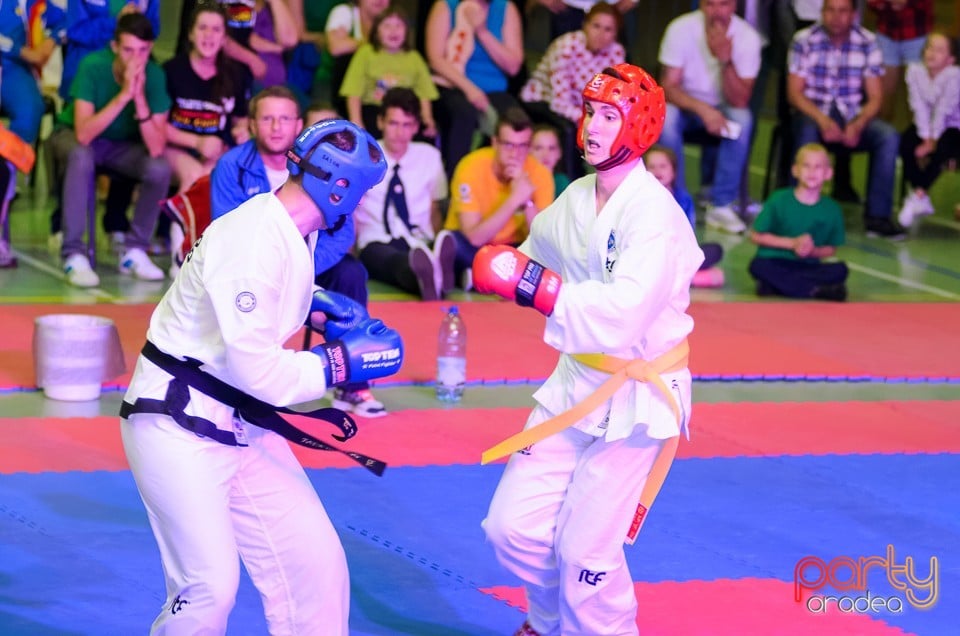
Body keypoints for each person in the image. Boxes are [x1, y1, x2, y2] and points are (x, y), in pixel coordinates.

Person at [120, 118, 402, 635]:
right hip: (176, 423)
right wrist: (339, 364)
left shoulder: (288, 228)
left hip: (238, 422)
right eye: (360, 194)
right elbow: (259, 372)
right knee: (209, 587)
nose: (361, 206)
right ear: (339, 188)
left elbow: (247, 304)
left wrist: (315, 309)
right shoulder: (254, 239)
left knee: (315, 565)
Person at [477, 64, 702, 636]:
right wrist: (502, 269)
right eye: (590, 112)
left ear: (640, 126)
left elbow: (621, 315)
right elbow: (531, 256)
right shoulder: (578, 197)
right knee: (511, 529)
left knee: (585, 557)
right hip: (575, 386)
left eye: (609, 115)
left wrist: (538, 288)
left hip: (637, 402)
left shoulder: (653, 216)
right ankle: (550, 623)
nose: (593, 126)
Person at [211, 86, 387, 418]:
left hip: (312, 259)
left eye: (284, 119)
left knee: (351, 272)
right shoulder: (232, 166)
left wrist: (301, 269)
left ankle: (352, 388)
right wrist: (288, 269)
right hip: (252, 264)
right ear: (251, 124)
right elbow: (226, 231)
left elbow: (342, 231)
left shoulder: (325, 165)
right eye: (267, 118)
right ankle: (249, 378)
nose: (276, 127)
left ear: (299, 125)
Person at [47, 12, 171, 288]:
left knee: (160, 167)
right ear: (115, 47)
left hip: (120, 146)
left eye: (142, 51)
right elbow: (84, 133)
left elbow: (156, 147)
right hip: (74, 137)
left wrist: (138, 99)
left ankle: (135, 250)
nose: (134, 58)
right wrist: (124, 94)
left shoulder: (155, 75)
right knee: (81, 155)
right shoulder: (94, 65)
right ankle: (74, 253)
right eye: (128, 50)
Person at [787, 0, 905, 239]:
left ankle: (877, 217)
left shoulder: (868, 42)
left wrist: (858, 123)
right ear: (822, 12)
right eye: (830, 10)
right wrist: (822, 120)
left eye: (842, 11)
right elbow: (794, 94)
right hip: (813, 113)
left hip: (852, 114)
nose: (835, 17)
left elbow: (875, 97)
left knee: (888, 136)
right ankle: (797, 211)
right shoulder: (804, 39)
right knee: (806, 132)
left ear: (853, 14)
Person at [657, 0, 763, 234]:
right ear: (701, 5)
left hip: (725, 106)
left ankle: (721, 205)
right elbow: (669, 87)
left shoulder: (747, 37)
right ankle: (678, 201)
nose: (716, 11)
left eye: (723, 4)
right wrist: (704, 110)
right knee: (667, 117)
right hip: (686, 105)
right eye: (710, 4)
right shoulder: (680, 29)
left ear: (734, 5)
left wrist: (725, 59)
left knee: (742, 119)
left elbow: (740, 100)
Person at [354, 88, 452, 300]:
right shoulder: (363, 157)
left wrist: (438, 239)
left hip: (419, 241)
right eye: (393, 123)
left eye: (406, 125)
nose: (399, 132)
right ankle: (428, 277)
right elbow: (351, 211)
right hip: (376, 240)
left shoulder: (430, 156)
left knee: (443, 246)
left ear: (416, 127)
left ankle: (438, 271)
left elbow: (434, 208)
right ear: (380, 122)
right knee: (391, 261)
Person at [443, 106, 554, 289]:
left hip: (513, 250)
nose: (515, 153)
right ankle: (498, 279)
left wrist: (526, 201)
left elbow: (542, 241)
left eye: (522, 146)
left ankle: (479, 277)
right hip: (474, 247)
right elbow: (474, 238)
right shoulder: (471, 167)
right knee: (452, 243)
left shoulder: (540, 173)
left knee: (541, 258)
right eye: (508, 144)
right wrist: (513, 200)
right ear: (495, 143)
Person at [520, 2, 625, 180]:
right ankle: (571, 179)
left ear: (615, 34)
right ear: (585, 25)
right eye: (596, 26)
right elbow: (560, 102)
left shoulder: (616, 53)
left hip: (583, 108)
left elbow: (612, 97)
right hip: (542, 100)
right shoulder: (566, 46)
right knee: (570, 129)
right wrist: (590, 119)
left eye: (608, 29)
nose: (600, 34)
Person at [424, 0, 525, 177]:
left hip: (494, 89)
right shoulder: (446, 5)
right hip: (453, 84)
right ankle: (457, 180)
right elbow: (435, 59)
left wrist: (482, 31)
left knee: (513, 119)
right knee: (464, 113)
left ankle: (501, 179)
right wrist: (469, 88)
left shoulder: (506, 8)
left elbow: (514, 66)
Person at [163, 2, 253, 195]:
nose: (208, 35)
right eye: (202, 27)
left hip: (215, 152)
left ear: (223, 38)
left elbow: (240, 120)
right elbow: (158, 127)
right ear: (190, 34)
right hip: (175, 148)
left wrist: (242, 130)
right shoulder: (171, 70)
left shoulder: (235, 74)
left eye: (216, 29)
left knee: (212, 175)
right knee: (195, 176)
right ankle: (179, 226)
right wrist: (197, 142)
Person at [749, 142, 848, 300]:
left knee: (840, 270)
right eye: (806, 166)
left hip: (808, 265)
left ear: (828, 173)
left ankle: (781, 287)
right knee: (758, 266)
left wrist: (811, 251)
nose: (812, 172)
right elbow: (756, 236)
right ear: (795, 170)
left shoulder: (833, 208)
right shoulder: (779, 199)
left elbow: (831, 249)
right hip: (776, 261)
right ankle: (814, 291)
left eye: (818, 167)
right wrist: (792, 243)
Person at [338, 6, 438, 137]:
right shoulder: (366, 54)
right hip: (374, 109)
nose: (393, 31)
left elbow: (424, 94)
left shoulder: (414, 58)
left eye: (398, 26)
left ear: (407, 31)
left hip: (406, 112)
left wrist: (427, 119)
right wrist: (356, 121)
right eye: (387, 26)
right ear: (376, 31)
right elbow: (353, 93)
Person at [897, 31, 960, 229]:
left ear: (950, 59)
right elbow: (918, 105)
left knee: (944, 146)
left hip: (954, 125)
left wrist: (931, 141)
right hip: (926, 125)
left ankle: (919, 193)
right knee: (906, 141)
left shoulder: (954, 76)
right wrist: (925, 137)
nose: (932, 53)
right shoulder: (915, 71)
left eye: (939, 50)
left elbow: (944, 108)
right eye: (929, 47)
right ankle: (920, 194)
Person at [644, 144, 725, 288]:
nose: (657, 171)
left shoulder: (683, 198)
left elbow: (689, 235)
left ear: (673, 172)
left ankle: (670, 279)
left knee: (714, 250)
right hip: (648, 252)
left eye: (663, 166)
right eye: (652, 167)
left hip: (677, 253)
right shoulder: (640, 197)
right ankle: (687, 279)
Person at [865, 0, 933, 122]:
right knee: (883, 98)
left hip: (917, 34)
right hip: (886, 34)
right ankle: (885, 137)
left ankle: (918, 137)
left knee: (919, 98)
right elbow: (872, 3)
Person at [529, 124, 571, 197]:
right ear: (528, 152)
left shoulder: (562, 182)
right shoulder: (522, 181)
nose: (546, 154)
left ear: (559, 153)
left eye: (551, 148)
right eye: (538, 148)